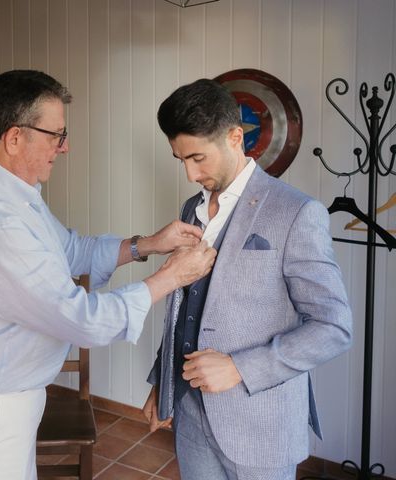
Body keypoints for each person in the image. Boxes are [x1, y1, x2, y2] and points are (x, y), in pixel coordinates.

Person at [0, 69, 217, 479]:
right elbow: (83, 320)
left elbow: (70, 250)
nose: (65, 147)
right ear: (14, 137)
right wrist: (171, 277)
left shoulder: (6, 191)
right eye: (57, 135)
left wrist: (147, 244)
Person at [142, 78, 353, 480]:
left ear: (235, 137)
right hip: (190, 415)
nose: (189, 174)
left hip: (261, 424)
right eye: (180, 159)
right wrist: (162, 383)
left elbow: (334, 327)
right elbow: (184, 309)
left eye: (198, 158)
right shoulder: (192, 209)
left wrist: (241, 368)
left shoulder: (297, 213)